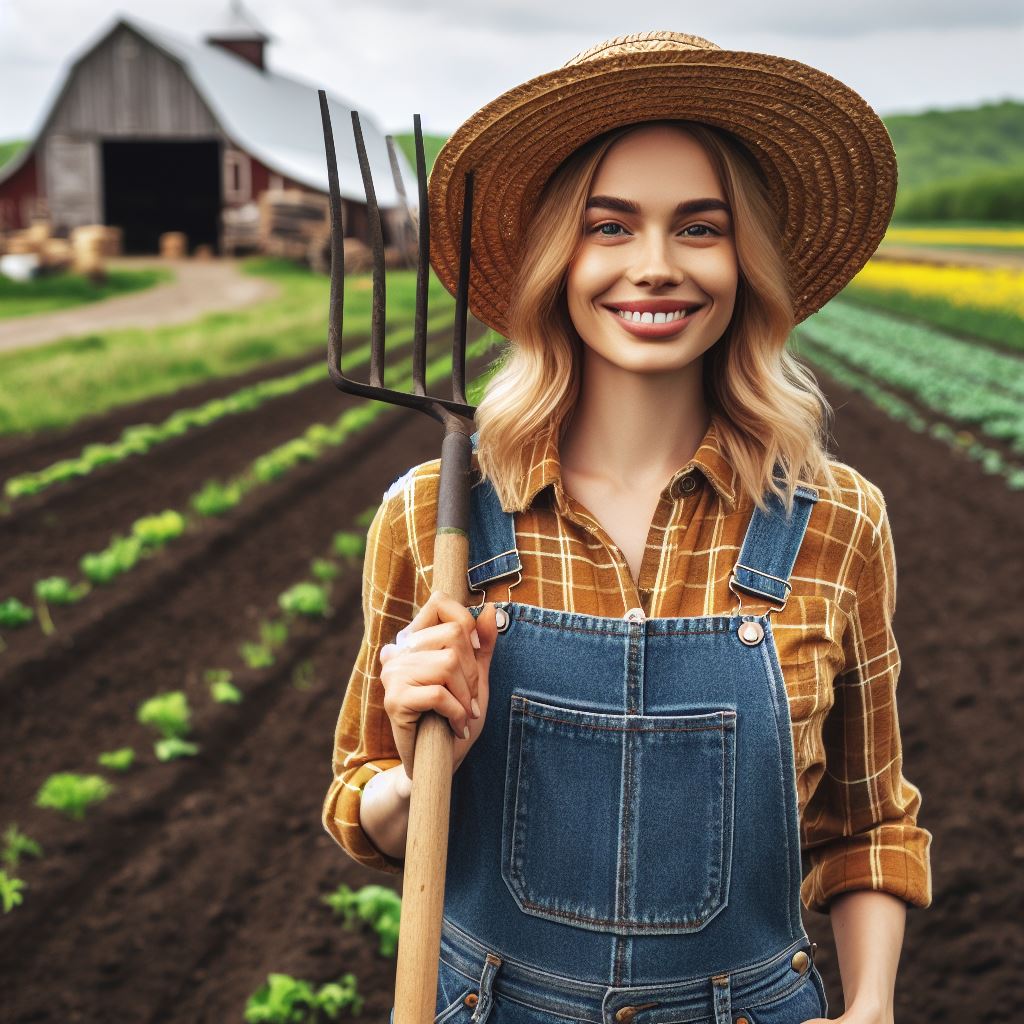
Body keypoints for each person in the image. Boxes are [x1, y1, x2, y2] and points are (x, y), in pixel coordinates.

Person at [322, 31, 933, 1024]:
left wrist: (867, 1005)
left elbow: (865, 821)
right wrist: (415, 754)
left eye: (699, 227)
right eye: (610, 227)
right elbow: (362, 803)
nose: (654, 266)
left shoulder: (835, 521)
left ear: (746, 262)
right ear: (555, 259)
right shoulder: (434, 520)